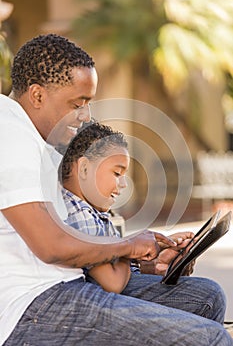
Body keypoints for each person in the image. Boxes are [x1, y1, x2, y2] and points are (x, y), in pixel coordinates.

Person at [0, 33, 232, 346]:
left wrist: (143, 257)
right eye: (76, 103)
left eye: (88, 103)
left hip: (68, 281)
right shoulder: (11, 136)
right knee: (209, 339)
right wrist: (128, 247)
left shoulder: (40, 139)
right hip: (33, 306)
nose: (85, 116)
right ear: (38, 95)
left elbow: (74, 238)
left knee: (204, 298)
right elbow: (51, 246)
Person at [60, 121, 135, 293]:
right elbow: (113, 283)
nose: (123, 184)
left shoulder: (92, 211)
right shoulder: (79, 214)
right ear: (85, 169)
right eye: (117, 173)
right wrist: (130, 249)